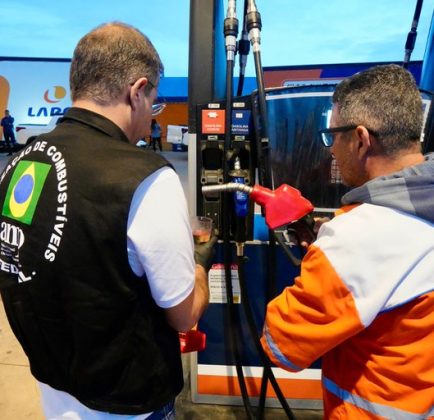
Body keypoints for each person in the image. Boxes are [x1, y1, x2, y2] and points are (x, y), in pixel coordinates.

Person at [0, 22, 216, 419]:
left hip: (54, 392)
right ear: (137, 91)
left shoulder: (20, 164)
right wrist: (200, 263)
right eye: (154, 103)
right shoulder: (145, 177)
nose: (151, 119)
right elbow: (184, 314)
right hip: (129, 403)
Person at [261, 64, 434, 418]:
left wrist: (325, 261)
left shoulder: (357, 237)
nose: (330, 151)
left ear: (360, 139)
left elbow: (281, 345)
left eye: (332, 136)